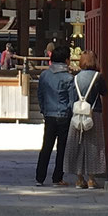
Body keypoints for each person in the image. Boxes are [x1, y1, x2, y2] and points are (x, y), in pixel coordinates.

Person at [65, 50, 107, 187]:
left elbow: (71, 98)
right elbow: (104, 92)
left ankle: (79, 178)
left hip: (77, 114)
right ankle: (91, 179)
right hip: (94, 112)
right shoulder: (98, 77)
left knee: (77, 144)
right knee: (94, 146)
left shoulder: (75, 78)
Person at [36, 44, 75, 186]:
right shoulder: (69, 78)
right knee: (62, 148)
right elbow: (72, 100)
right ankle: (57, 177)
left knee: (46, 146)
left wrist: (44, 109)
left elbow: (40, 95)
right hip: (64, 115)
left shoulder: (44, 75)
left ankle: (40, 177)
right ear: (66, 60)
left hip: (49, 114)